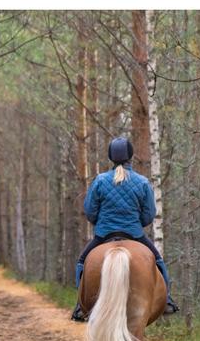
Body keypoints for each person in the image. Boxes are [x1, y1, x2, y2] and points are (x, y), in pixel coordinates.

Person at [71, 136, 179, 322]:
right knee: (159, 262)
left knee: (81, 263)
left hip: (104, 234)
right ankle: (167, 299)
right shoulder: (142, 182)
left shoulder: (100, 180)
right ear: (130, 156)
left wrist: (102, 222)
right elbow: (149, 214)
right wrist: (135, 223)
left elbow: (90, 211)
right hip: (134, 234)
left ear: (111, 157)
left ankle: (80, 306)